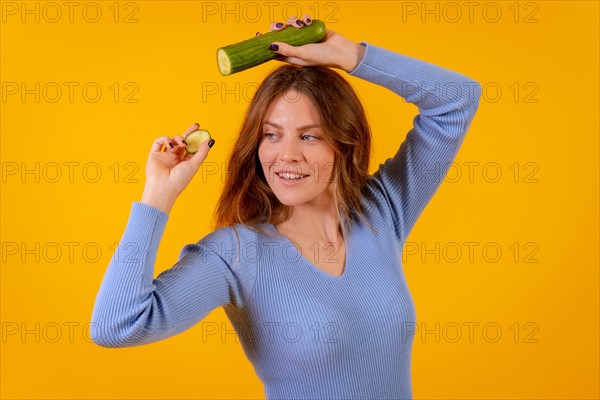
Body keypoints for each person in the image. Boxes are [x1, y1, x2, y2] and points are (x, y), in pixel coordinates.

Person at [90, 14, 482, 399]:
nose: (285, 155)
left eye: (309, 137)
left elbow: (457, 99)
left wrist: (348, 54)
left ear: (343, 144)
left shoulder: (382, 210)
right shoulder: (235, 254)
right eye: (271, 135)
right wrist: (158, 195)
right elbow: (117, 326)